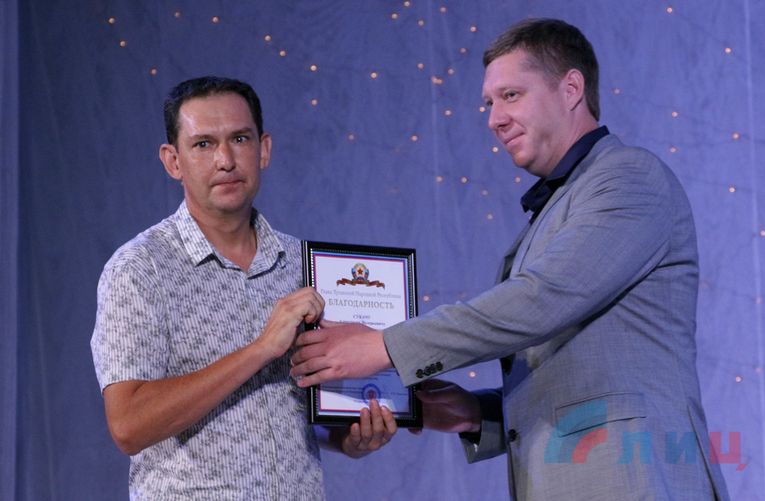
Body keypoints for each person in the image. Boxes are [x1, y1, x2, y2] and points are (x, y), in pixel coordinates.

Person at [290, 19, 730, 500]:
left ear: (571, 89)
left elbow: (540, 301)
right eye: (489, 103)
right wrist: (474, 413)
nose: (494, 119)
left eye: (511, 95)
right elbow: (580, 373)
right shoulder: (559, 205)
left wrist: (384, 347)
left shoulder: (629, 178)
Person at [90, 76, 396, 500]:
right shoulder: (140, 269)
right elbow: (128, 426)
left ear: (263, 149)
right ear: (173, 161)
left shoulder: (304, 265)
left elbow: (301, 410)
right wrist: (261, 349)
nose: (226, 160)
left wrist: (349, 438)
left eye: (239, 138)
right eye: (203, 144)